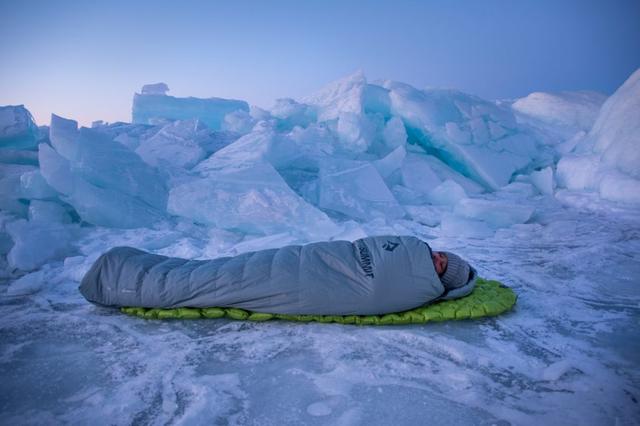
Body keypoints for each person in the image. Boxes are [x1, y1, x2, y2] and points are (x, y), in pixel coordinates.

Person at [80, 235, 476, 316]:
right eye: (441, 254)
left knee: (211, 283)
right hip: (303, 260)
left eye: (443, 265)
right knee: (214, 271)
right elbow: (365, 248)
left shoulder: (415, 285)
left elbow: (375, 291)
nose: (438, 258)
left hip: (300, 281)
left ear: (440, 282)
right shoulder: (410, 250)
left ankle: (118, 276)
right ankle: (123, 268)